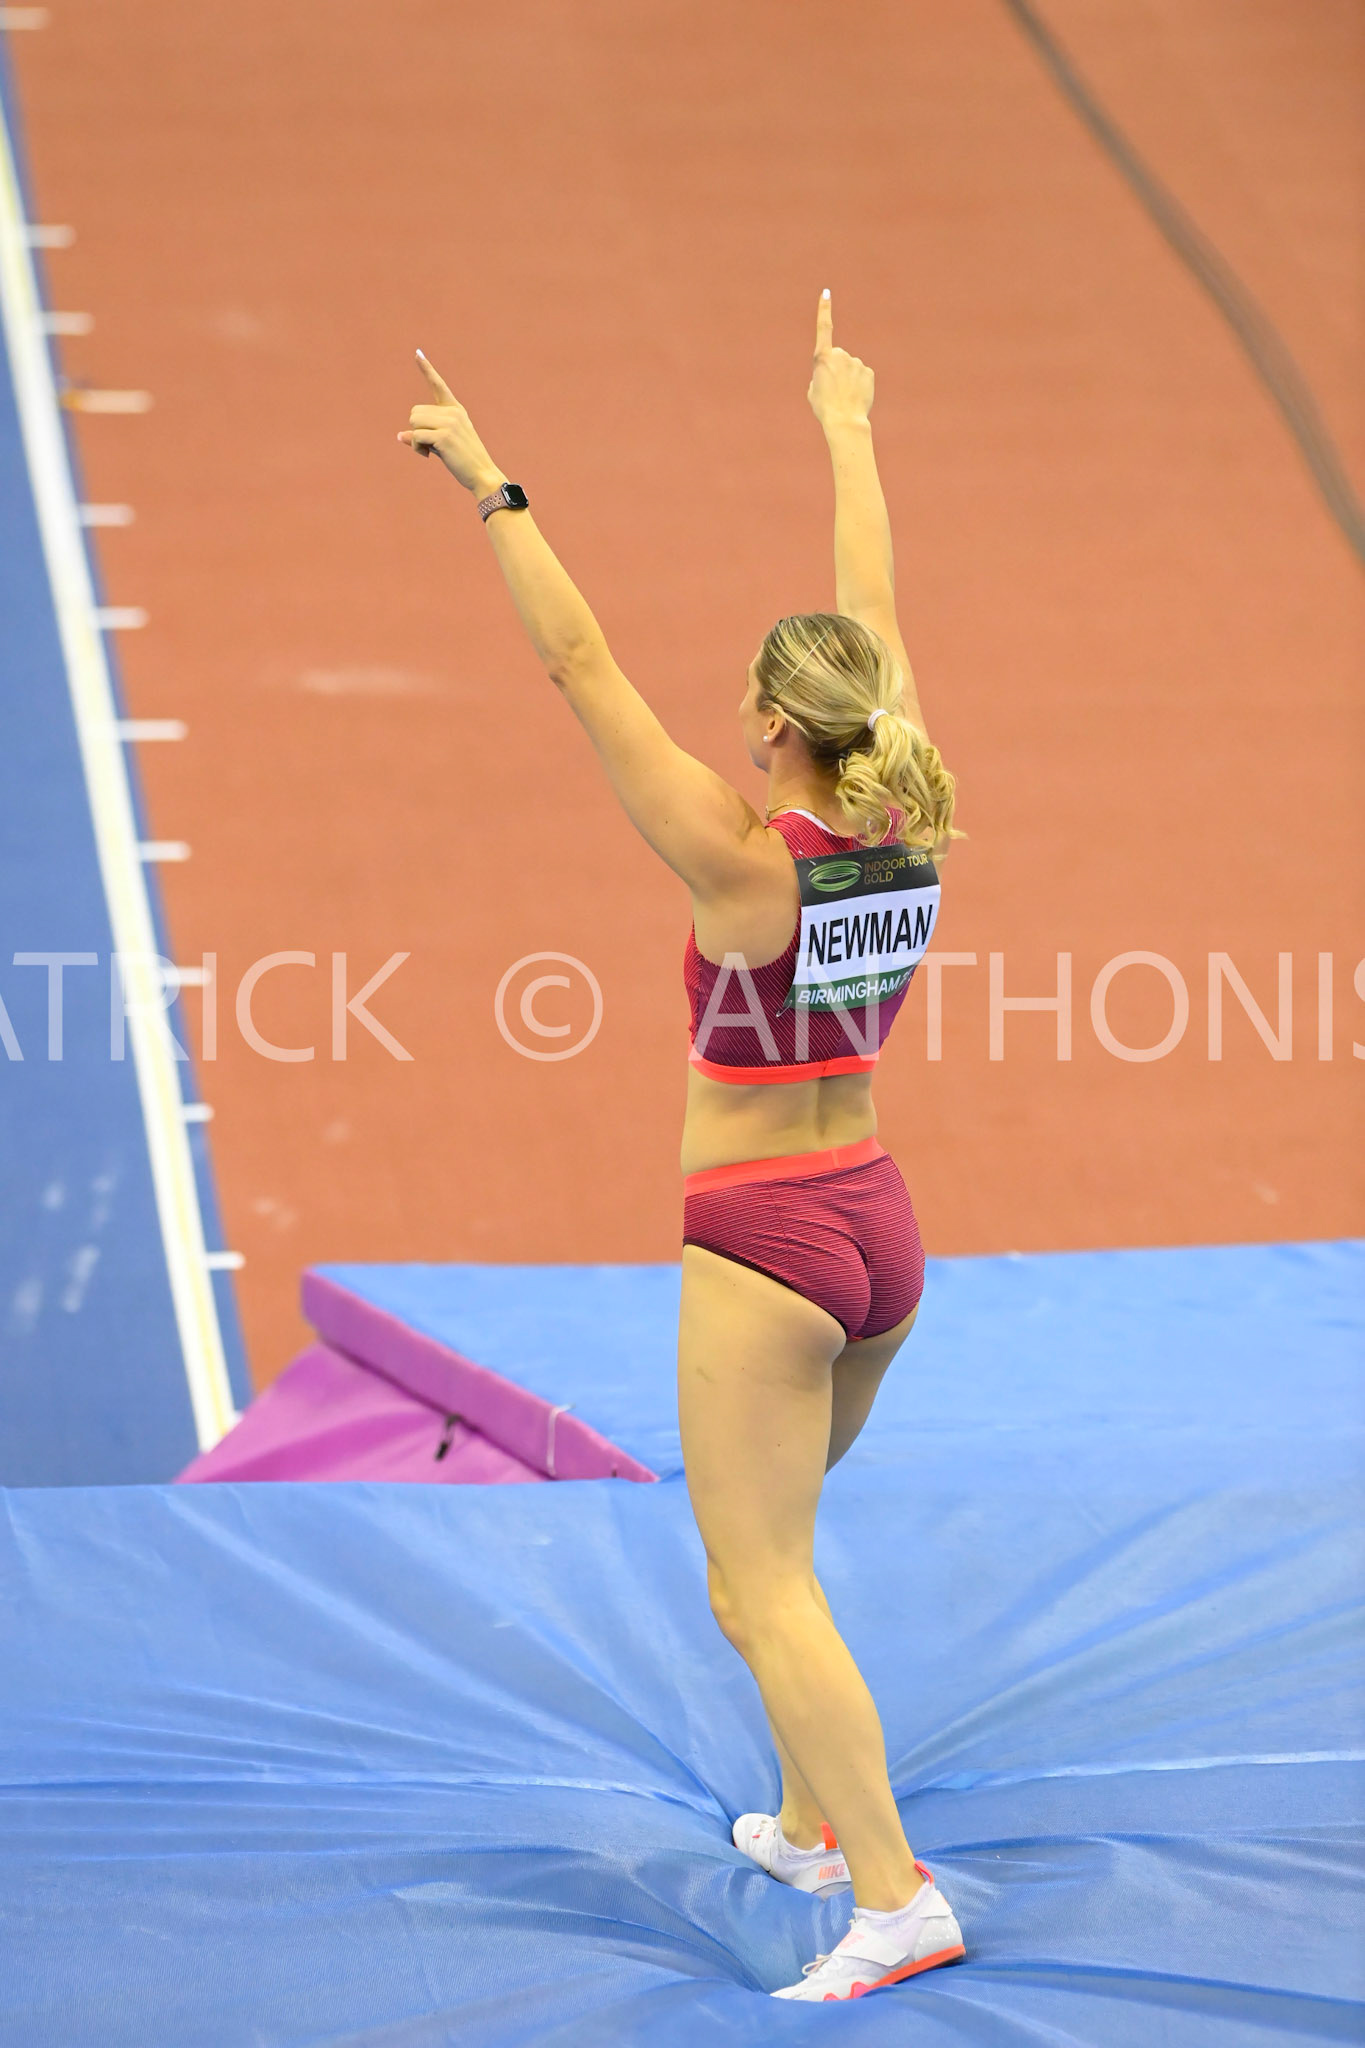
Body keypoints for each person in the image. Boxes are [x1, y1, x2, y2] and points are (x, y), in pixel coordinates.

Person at [399, 289, 964, 2002]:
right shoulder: (911, 810)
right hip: (876, 1225)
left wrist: (488, 481)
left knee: (755, 1585)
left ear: (776, 731)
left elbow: (578, 668)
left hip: (765, 1242)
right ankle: (803, 1824)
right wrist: (845, 426)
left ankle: (891, 1898)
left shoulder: (741, 863)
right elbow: (875, 611)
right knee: (778, 1553)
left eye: (751, 702)